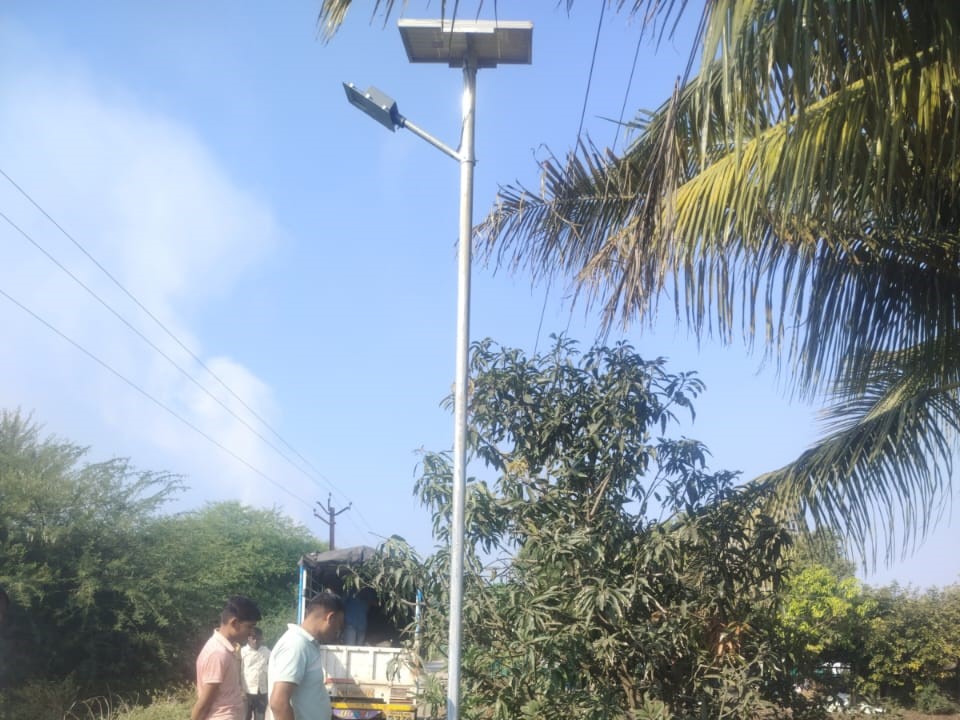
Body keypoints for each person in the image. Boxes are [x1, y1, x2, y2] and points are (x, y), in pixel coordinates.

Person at [267, 591, 345, 720]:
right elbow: (278, 703)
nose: (338, 633)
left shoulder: (308, 644)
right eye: (339, 626)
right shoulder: (296, 644)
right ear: (330, 618)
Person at [192, 595, 262, 720]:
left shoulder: (227, 648)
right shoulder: (218, 653)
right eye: (250, 626)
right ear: (234, 623)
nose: (252, 632)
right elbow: (203, 705)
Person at [241, 628, 271, 720]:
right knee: (245, 717)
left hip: (262, 692)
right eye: (253, 638)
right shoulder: (242, 652)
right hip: (246, 692)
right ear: (248, 638)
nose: (255, 641)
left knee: (260, 718)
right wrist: (240, 690)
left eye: (258, 638)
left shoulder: (267, 652)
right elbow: (237, 671)